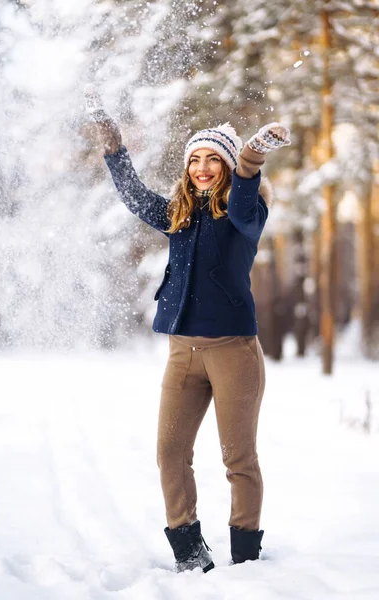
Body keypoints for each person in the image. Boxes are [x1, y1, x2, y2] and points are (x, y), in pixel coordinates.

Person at [85, 87, 291, 573]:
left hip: (233, 352)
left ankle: (246, 558)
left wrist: (251, 157)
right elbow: (135, 196)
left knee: (238, 459)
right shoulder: (179, 216)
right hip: (183, 353)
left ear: (225, 165)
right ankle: (188, 550)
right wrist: (115, 147)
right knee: (169, 452)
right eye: (194, 159)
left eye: (212, 159)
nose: (202, 167)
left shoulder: (245, 215)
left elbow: (242, 201)